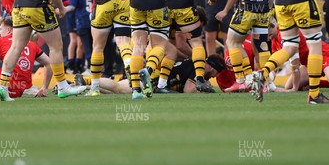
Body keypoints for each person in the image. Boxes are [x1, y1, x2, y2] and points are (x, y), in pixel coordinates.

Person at [76, 54, 227, 95]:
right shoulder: (198, 67)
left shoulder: (196, 64)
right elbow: (189, 90)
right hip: (152, 81)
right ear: (208, 65)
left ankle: (84, 85)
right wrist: (205, 90)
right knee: (118, 88)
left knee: (116, 91)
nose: (214, 76)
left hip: (156, 79)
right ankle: (86, 80)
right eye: (215, 71)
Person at [65, 0, 92, 74]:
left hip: (82, 22)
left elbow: (72, 6)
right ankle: (84, 65)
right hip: (95, 21)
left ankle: (88, 67)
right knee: (94, 45)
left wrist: (62, 9)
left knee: (85, 45)